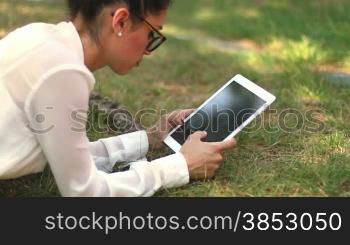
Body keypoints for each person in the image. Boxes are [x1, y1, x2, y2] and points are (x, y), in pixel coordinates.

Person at [0, 0, 236, 196]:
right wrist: (181, 166)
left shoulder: (35, 35)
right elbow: (84, 192)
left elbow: (67, 155)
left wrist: (150, 138)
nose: (149, 50)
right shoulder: (63, 72)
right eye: (151, 34)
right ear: (120, 21)